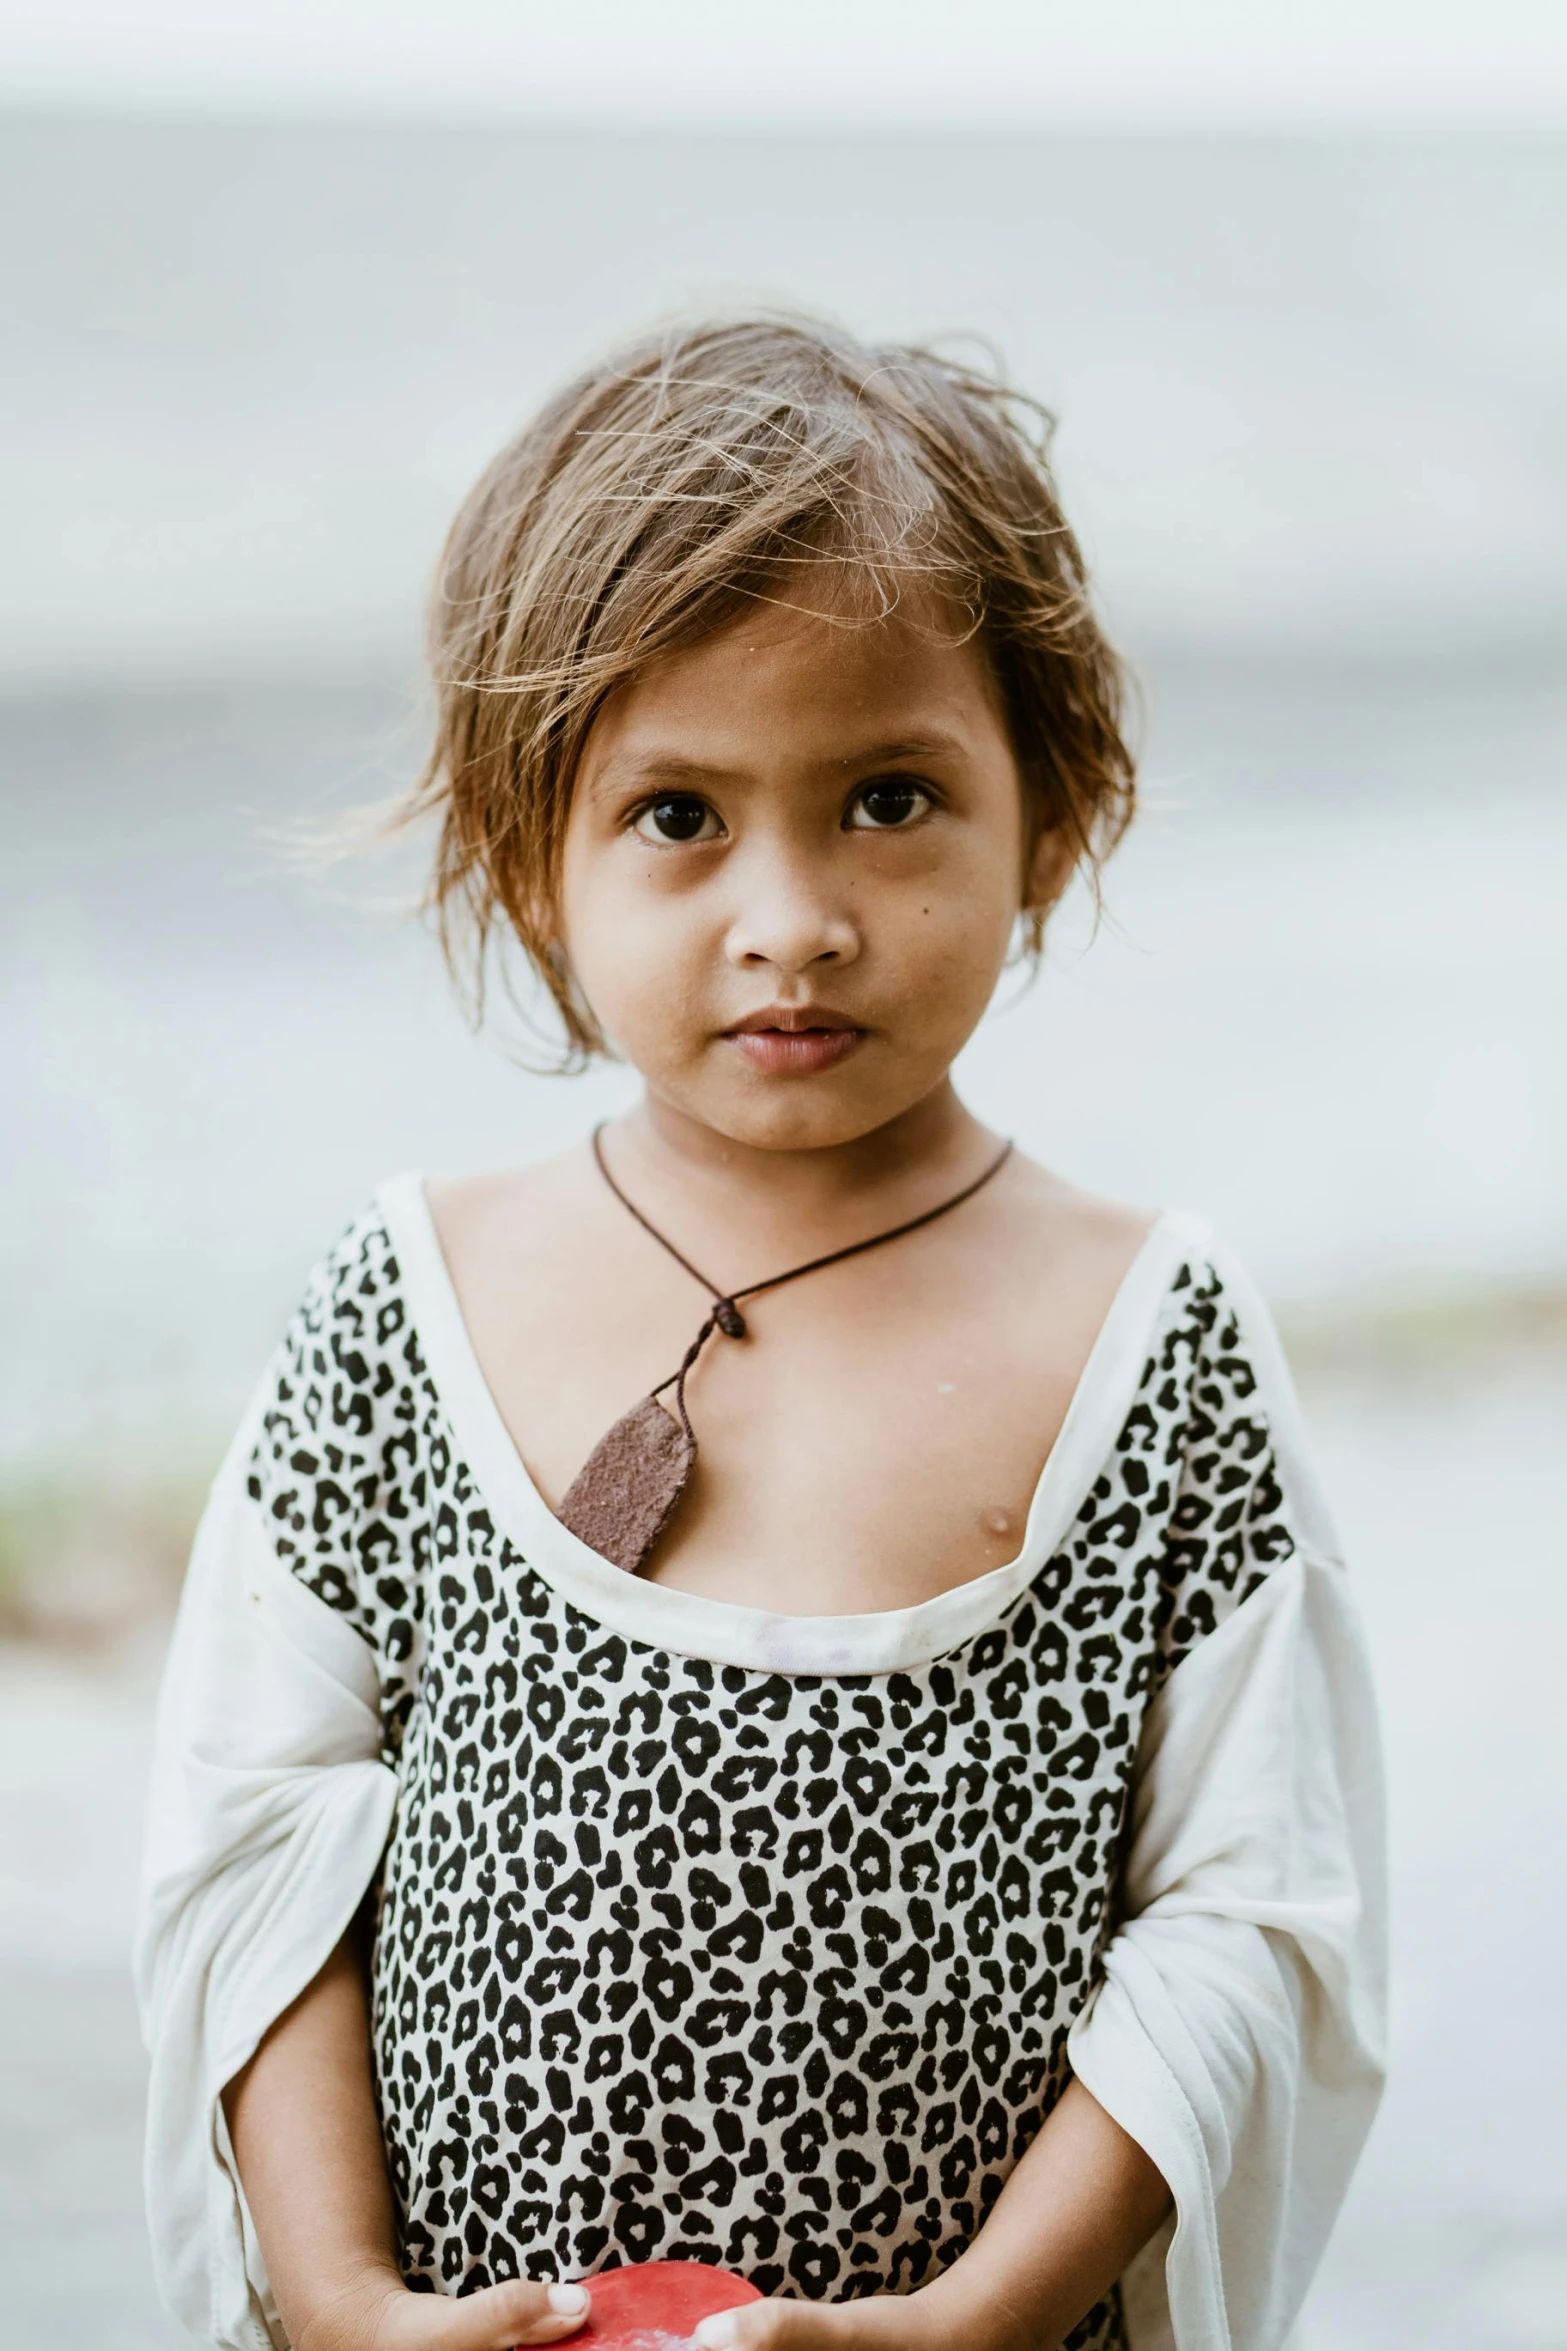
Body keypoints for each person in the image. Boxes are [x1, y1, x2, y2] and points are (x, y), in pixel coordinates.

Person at [135, 316, 1385, 2351]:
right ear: (530, 858)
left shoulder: (1148, 1331)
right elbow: (258, 1840)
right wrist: (345, 2297)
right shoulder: (408, 1298)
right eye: (678, 815)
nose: (790, 912)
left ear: (1050, 816)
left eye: (889, 797)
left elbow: (1249, 1917)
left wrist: (975, 2314)